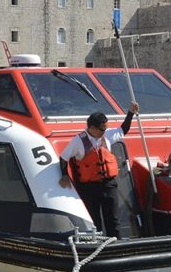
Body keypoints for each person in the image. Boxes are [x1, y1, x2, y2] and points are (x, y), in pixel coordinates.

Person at [59, 101, 139, 239]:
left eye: (106, 128)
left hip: (108, 185)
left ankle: (116, 244)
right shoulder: (78, 141)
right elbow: (64, 158)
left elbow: (123, 129)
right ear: (92, 128)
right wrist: (65, 175)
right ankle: (97, 245)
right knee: (94, 221)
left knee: (113, 220)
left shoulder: (106, 135)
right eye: (102, 129)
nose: (104, 132)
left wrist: (131, 113)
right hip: (89, 187)